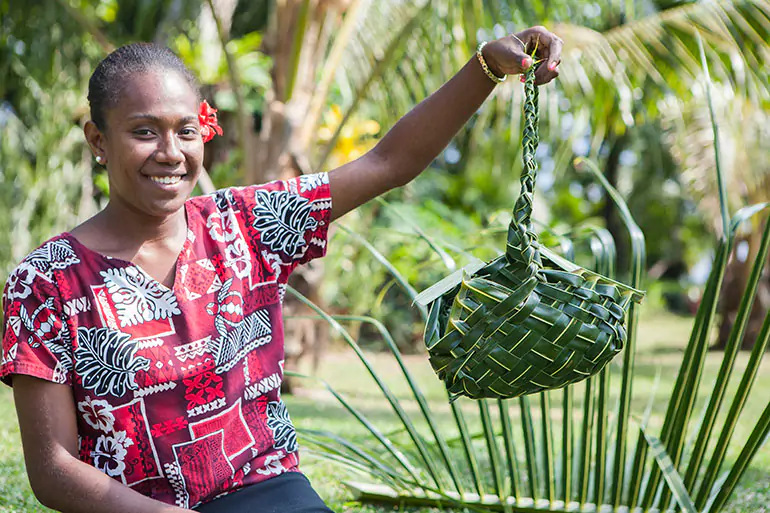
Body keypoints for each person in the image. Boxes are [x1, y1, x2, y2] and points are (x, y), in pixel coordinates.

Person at [1, 26, 562, 513]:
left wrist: (486, 67)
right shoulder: (47, 280)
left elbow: (389, 163)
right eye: (144, 131)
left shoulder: (247, 225)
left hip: (264, 492)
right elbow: (53, 469)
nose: (170, 151)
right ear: (98, 140)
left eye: (185, 130)